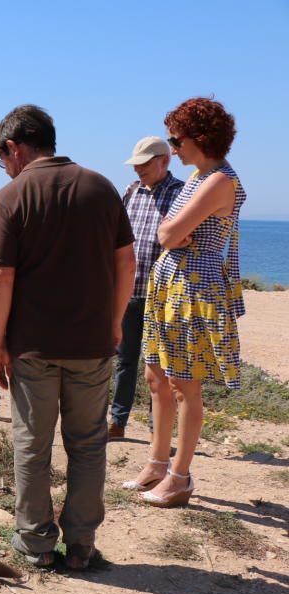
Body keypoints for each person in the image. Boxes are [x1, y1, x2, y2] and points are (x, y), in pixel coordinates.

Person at [0, 105, 136, 570]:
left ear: (15, 147)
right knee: (88, 444)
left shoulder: (11, 196)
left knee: (33, 445)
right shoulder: (101, 187)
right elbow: (126, 263)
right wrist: (113, 323)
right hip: (92, 344)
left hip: (32, 348)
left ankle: (36, 544)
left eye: (2, 157)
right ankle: (82, 545)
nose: (5, 166)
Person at [127, 98, 246, 507]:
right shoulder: (199, 177)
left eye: (177, 140)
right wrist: (175, 233)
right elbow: (170, 233)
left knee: (183, 386)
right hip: (172, 283)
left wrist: (176, 233)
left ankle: (181, 477)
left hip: (194, 288)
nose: (173, 149)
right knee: (156, 379)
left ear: (200, 137)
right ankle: (157, 464)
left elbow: (167, 233)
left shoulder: (219, 180)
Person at [109, 138, 185, 441]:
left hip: (163, 296)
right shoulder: (131, 190)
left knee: (162, 367)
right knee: (125, 360)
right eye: (136, 163)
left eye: (144, 163)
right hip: (129, 290)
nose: (138, 168)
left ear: (164, 161)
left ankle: (159, 432)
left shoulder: (181, 193)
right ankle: (117, 422)